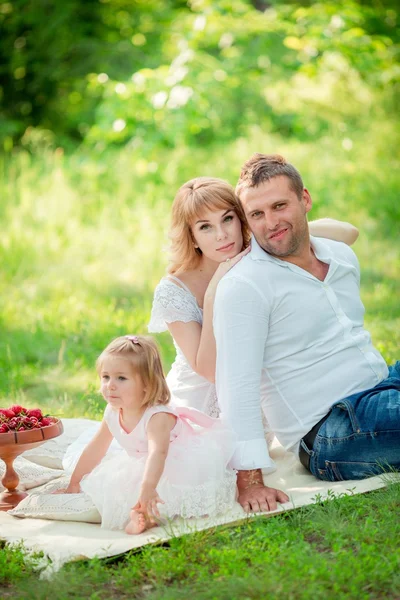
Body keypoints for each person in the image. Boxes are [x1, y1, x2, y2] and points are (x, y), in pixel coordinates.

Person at [213, 153, 400, 514]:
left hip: (384, 386)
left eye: (280, 205)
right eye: (257, 214)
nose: (271, 223)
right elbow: (236, 385)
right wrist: (249, 480)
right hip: (333, 431)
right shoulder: (245, 286)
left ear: (305, 199)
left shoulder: (341, 256)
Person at [149, 177, 359, 422]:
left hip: (255, 404)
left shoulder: (256, 254)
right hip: (196, 411)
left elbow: (349, 233)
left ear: (242, 219)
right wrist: (213, 291)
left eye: (228, 219)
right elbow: (209, 370)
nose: (222, 235)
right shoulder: (174, 290)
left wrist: (288, 230)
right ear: (192, 237)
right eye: (205, 227)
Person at [60, 335, 237, 534]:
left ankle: (148, 516)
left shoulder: (157, 416)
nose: (110, 385)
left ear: (147, 383)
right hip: (143, 462)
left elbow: (158, 454)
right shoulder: (113, 411)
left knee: (164, 493)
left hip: (176, 462)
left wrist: (148, 486)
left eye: (121, 378)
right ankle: (140, 510)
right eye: (105, 377)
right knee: (115, 488)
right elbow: (96, 447)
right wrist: (74, 482)